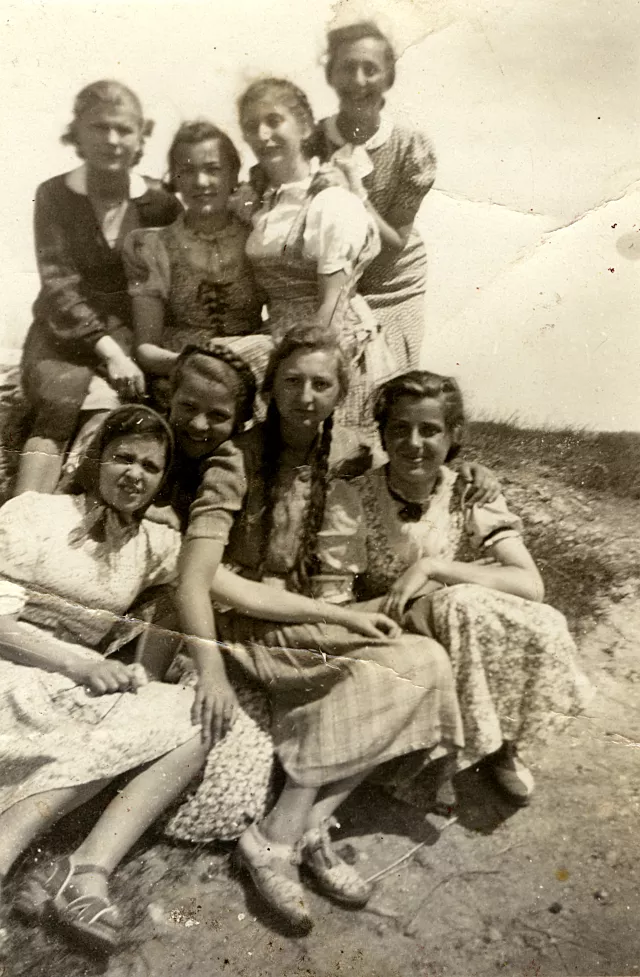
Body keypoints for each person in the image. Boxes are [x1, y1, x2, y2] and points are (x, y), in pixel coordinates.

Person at [176, 327, 463, 933]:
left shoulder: (349, 453)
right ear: (271, 388)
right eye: (291, 381)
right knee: (398, 664)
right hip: (249, 624)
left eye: (321, 383)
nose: (305, 396)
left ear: (340, 391)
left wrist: (473, 474)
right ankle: (275, 838)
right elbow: (198, 579)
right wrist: (209, 672)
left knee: (428, 661)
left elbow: (423, 465)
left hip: (309, 620)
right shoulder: (238, 459)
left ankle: (303, 827)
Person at [0, 406, 210, 955]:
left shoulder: (152, 543)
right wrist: (81, 665)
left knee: (197, 718)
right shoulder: (36, 513)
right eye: (123, 457)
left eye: (150, 466)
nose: (135, 474)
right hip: (12, 671)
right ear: (95, 458)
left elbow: (211, 579)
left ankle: (85, 870)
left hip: (70, 686)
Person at [345, 371, 592, 805]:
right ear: (382, 433)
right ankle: (435, 760)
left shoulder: (469, 493)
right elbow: (336, 599)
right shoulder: (355, 496)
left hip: (460, 628)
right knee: (460, 607)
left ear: (452, 435)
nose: (414, 442)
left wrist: (436, 567)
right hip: (385, 625)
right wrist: (423, 598)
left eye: (430, 429)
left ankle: (503, 744)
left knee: (528, 616)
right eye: (399, 428)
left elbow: (529, 584)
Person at [15, 81, 182, 496]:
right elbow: (59, 286)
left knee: (123, 410)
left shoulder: (160, 203)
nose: (112, 140)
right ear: (78, 133)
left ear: (141, 135)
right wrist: (110, 354)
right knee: (60, 399)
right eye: (99, 127)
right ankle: (19, 524)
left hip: (134, 337)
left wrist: (132, 353)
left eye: (124, 129)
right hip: (62, 337)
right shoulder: (54, 195)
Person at [238, 78, 389, 428]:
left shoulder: (330, 200)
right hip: (279, 335)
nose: (262, 135)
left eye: (274, 121)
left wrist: (296, 364)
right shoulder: (262, 200)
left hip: (328, 343)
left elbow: (332, 306)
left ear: (305, 126)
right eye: (251, 126)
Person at [310, 22, 437, 370]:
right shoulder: (310, 140)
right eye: (347, 68)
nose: (359, 80)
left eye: (371, 69)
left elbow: (396, 239)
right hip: (328, 282)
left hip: (391, 286)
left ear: (389, 77)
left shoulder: (411, 148)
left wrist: (357, 195)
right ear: (331, 75)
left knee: (389, 390)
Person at [124, 120, 267, 403]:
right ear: (175, 178)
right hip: (180, 375)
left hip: (250, 367)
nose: (200, 182)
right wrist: (193, 366)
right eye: (188, 171)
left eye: (213, 169)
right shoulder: (153, 246)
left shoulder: (259, 236)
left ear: (232, 174)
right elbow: (146, 348)